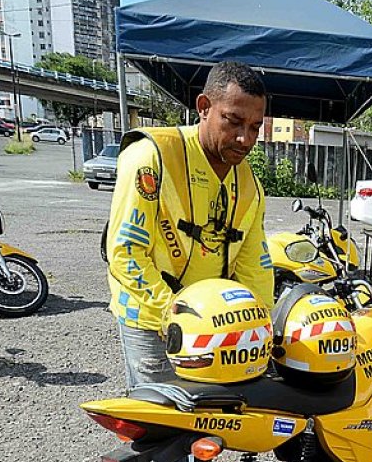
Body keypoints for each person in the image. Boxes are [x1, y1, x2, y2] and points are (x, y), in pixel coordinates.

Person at [104, 61, 274, 390]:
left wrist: (265, 321)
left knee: (208, 426)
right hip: (151, 320)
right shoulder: (151, 157)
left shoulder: (249, 183)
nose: (245, 138)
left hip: (213, 326)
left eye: (255, 127)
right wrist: (176, 315)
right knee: (161, 429)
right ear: (204, 107)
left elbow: (255, 263)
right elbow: (125, 252)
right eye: (234, 121)